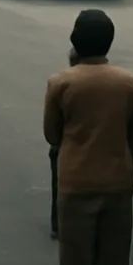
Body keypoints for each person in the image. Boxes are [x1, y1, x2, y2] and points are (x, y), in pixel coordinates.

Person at [44, 9, 133, 265]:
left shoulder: (61, 81)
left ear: (75, 40)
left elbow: (52, 135)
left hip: (75, 184)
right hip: (117, 184)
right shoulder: (128, 82)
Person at [49, 48, 80, 240]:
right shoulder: (120, 82)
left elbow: (51, 130)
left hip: (66, 144)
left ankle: (58, 223)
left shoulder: (59, 83)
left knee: (60, 186)